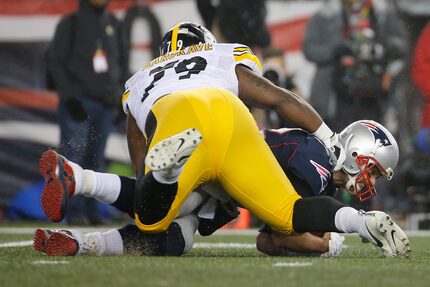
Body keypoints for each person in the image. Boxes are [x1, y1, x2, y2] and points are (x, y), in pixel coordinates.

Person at [39, 22, 410, 258]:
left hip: (177, 118)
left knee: (152, 217)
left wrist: (160, 192)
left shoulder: (138, 82)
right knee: (286, 213)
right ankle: (363, 224)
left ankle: (112, 176)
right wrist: (328, 136)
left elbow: (140, 176)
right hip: (232, 119)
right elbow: (280, 98)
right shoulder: (218, 56)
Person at [34, 120, 404, 257]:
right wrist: (329, 244)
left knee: (177, 238)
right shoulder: (317, 158)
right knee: (172, 208)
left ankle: (77, 241)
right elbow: (278, 234)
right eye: (373, 171)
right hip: (217, 167)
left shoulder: (321, 166)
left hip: (218, 188)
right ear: (358, 154)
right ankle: (78, 177)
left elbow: (267, 239)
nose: (370, 181)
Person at [47, 0, 125, 224]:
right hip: (79, 102)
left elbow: (121, 62)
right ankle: (74, 213)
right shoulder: (70, 23)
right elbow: (56, 62)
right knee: (74, 159)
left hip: (106, 105)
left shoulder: (113, 23)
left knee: (97, 160)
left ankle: (93, 213)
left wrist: (120, 98)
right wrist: (69, 96)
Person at [302, 0, 408, 132]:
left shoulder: (383, 13)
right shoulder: (325, 15)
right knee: (338, 142)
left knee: (372, 141)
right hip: (336, 94)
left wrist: (384, 47)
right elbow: (309, 50)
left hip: (374, 92)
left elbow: (402, 46)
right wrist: (335, 50)